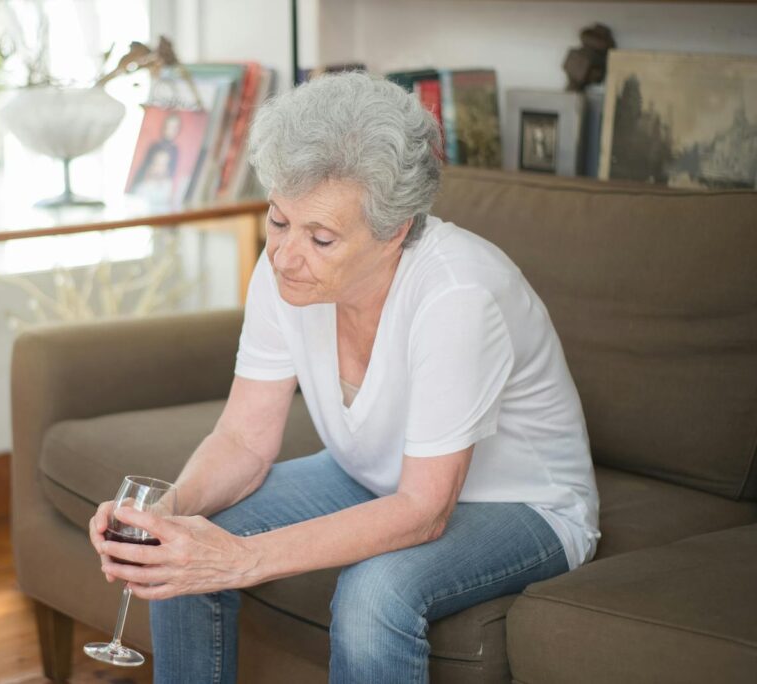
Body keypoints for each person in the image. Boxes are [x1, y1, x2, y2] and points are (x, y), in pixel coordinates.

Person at [90, 71, 600, 683]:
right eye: (278, 222)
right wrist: (165, 513)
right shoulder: (286, 270)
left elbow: (422, 510)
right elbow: (244, 441)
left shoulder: (458, 296)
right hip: (375, 476)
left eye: (322, 237)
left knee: (373, 591)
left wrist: (241, 561)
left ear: (396, 232)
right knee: (183, 540)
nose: (284, 254)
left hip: (524, 505)